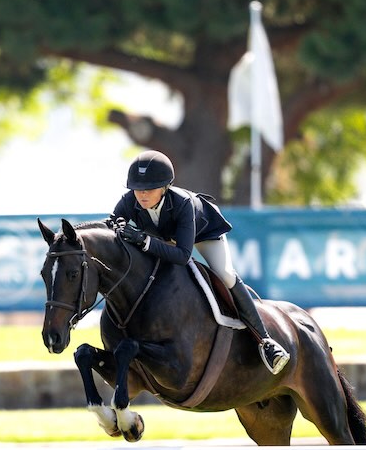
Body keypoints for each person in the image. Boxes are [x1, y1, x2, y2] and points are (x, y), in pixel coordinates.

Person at [110, 150, 290, 375]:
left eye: (149, 189)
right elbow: (112, 224)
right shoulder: (130, 200)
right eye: (138, 189)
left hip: (203, 233)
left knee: (225, 274)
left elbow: (183, 255)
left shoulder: (183, 203)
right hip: (163, 237)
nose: (142, 195)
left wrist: (143, 241)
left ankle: (266, 342)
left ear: (165, 187)